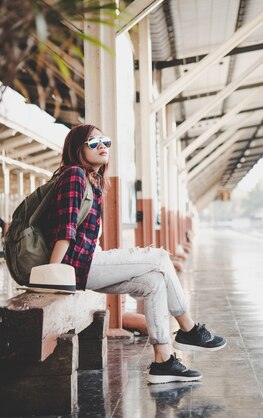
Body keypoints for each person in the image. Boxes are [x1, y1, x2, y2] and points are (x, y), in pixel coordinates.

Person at [42, 124, 226, 384]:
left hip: (86, 262)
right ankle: (189, 329)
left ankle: (163, 361)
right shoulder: (74, 174)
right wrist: (52, 272)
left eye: (104, 141)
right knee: (160, 257)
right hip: (79, 265)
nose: (102, 146)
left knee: (153, 283)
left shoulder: (91, 180)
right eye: (93, 143)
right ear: (77, 149)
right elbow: (65, 229)